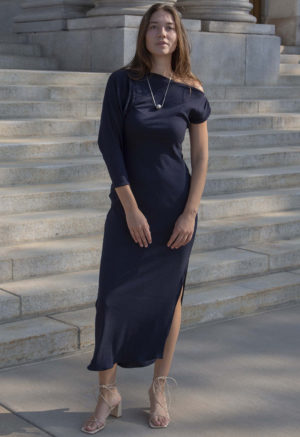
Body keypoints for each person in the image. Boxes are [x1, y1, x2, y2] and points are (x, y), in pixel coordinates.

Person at [81, 2, 211, 434]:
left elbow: (200, 155)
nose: (162, 33)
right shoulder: (123, 82)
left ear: (179, 36)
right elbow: (109, 144)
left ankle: (158, 388)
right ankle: (108, 393)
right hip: (129, 211)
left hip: (176, 211)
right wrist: (130, 207)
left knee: (169, 302)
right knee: (112, 299)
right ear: (143, 34)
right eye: (154, 26)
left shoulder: (192, 89)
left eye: (169, 27)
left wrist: (190, 212)